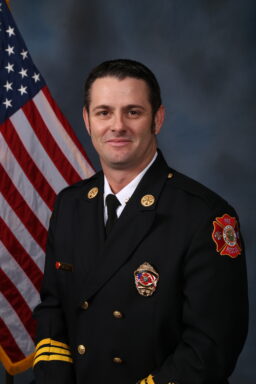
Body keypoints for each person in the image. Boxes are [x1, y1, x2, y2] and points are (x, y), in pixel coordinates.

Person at [33, 59, 248, 384]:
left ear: (157, 119)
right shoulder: (70, 205)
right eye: (104, 112)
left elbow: (211, 347)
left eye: (133, 112)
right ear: (87, 121)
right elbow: (53, 311)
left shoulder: (205, 217)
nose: (117, 126)